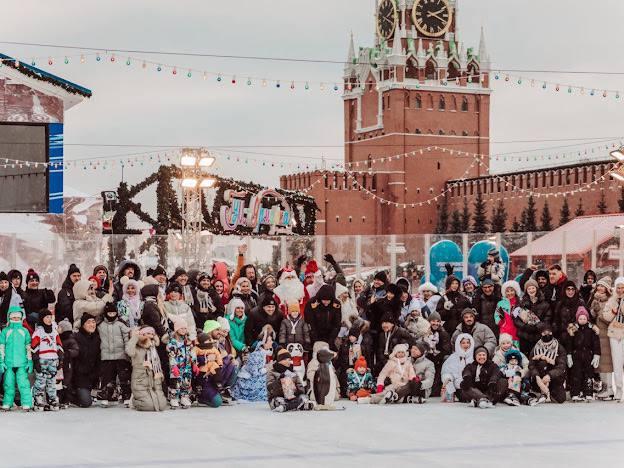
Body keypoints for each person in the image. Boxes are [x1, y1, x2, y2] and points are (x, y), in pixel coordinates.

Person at [126, 326, 168, 411]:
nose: (150, 336)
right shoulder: (136, 347)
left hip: (154, 381)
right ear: (142, 334)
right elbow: (129, 352)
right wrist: (135, 337)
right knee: (148, 406)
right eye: (148, 333)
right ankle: (134, 400)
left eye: (152, 334)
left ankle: (150, 399)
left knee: (162, 405)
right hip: (140, 381)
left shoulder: (153, 348)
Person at [97, 303, 131, 406]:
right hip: (106, 356)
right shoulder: (101, 325)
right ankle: (106, 396)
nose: (111, 315)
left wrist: (127, 350)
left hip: (120, 355)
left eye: (113, 313)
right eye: (109, 313)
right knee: (107, 377)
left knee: (123, 377)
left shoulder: (120, 324)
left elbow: (126, 337)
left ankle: (126, 396)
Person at [0, 305, 33, 411]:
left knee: (23, 384)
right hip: (8, 363)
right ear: (9, 318)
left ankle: (27, 403)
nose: (15, 319)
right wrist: (1, 362)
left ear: (21, 318)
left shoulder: (24, 331)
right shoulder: (5, 331)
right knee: (8, 384)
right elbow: (2, 347)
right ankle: (7, 403)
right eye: (13, 317)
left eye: (18, 317)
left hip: (22, 363)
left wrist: (29, 361)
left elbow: (28, 348)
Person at [565, 307, 601, 401]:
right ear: (577, 319)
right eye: (580, 318)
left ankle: (588, 393)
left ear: (587, 319)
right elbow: (569, 344)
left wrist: (597, 354)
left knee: (588, 375)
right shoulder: (573, 330)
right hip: (576, 355)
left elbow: (596, 343)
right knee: (576, 375)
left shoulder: (591, 330)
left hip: (588, 355)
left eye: (584, 318)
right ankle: (575, 393)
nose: (582, 320)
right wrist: (569, 355)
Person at [31, 308, 63, 411]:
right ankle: (38, 398)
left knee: (52, 380)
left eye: (50, 317)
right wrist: (36, 361)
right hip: (42, 359)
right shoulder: (38, 332)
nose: (49, 319)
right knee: (41, 379)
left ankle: (52, 398)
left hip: (53, 359)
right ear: (41, 319)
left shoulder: (54, 332)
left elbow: (59, 345)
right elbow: (34, 347)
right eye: (47, 317)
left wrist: (61, 358)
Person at [528, 322, 567, 403]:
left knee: (560, 399)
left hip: (554, 377)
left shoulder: (558, 347)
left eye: (549, 332)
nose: (547, 334)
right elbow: (531, 365)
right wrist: (537, 376)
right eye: (544, 332)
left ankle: (549, 391)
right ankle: (542, 391)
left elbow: (561, 366)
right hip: (540, 376)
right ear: (541, 334)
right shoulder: (536, 347)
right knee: (543, 363)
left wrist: (550, 375)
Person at [589, 276, 614, 399]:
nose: (600, 288)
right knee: (601, 363)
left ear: (607, 288)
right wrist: (594, 311)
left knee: (607, 363)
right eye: (598, 285)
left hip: (608, 334)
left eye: (602, 286)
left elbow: (611, 319)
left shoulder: (611, 300)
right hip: (598, 333)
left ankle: (609, 388)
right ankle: (605, 387)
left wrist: (600, 314)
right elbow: (591, 316)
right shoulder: (595, 299)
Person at [267, 347, 314, 412]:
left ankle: (287, 406)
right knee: (280, 401)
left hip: (292, 397)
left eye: (289, 359)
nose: (289, 361)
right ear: (280, 360)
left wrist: (298, 391)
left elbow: (300, 387)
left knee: (303, 397)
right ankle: (297, 405)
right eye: (286, 359)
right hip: (277, 397)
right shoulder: (272, 372)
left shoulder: (293, 371)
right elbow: (269, 388)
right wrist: (280, 380)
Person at [514, 278, 552, 356]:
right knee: (524, 359)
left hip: (538, 337)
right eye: (529, 288)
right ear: (526, 291)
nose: (531, 290)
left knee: (536, 359)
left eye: (533, 288)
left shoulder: (545, 304)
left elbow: (547, 319)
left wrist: (537, 327)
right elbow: (515, 318)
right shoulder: (521, 303)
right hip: (524, 336)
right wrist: (524, 326)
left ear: (537, 289)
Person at [167, 317, 198, 409]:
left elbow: (192, 352)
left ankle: (184, 397)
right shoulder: (172, 342)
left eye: (185, 328)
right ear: (176, 329)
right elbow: (171, 355)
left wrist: (194, 363)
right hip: (176, 366)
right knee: (176, 382)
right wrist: (173, 366)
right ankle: (174, 398)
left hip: (187, 366)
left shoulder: (188, 341)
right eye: (181, 328)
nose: (184, 330)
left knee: (186, 382)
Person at [601, 276, 624, 402]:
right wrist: (614, 312)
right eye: (618, 288)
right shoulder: (611, 300)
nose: (620, 290)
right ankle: (619, 389)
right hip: (615, 333)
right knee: (617, 363)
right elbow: (606, 316)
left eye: (622, 288)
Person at [73, 313, 101, 408]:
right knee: (86, 402)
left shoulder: (97, 338)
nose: (92, 325)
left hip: (92, 376)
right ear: (83, 325)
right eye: (88, 322)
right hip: (79, 376)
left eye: (93, 322)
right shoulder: (76, 337)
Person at [304, 284, 342, 351]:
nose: (326, 302)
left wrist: (331, 340)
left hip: (329, 336)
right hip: (315, 335)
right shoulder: (311, 304)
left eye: (328, 300)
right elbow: (310, 323)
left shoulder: (336, 304)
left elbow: (337, 324)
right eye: (324, 300)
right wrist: (316, 341)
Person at [440, 333, 475, 403]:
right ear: (459, 344)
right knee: (464, 396)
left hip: (471, 386)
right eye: (463, 343)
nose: (466, 345)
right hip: (457, 387)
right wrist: (448, 379)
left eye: (468, 343)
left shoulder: (474, 357)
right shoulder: (453, 357)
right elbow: (446, 371)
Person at [424, 311, 451, 397]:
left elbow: (446, 350)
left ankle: (435, 389)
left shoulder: (443, 333)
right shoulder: (425, 332)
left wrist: (436, 358)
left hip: (439, 358)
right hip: (428, 357)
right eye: (433, 321)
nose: (435, 323)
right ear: (429, 321)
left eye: (437, 321)